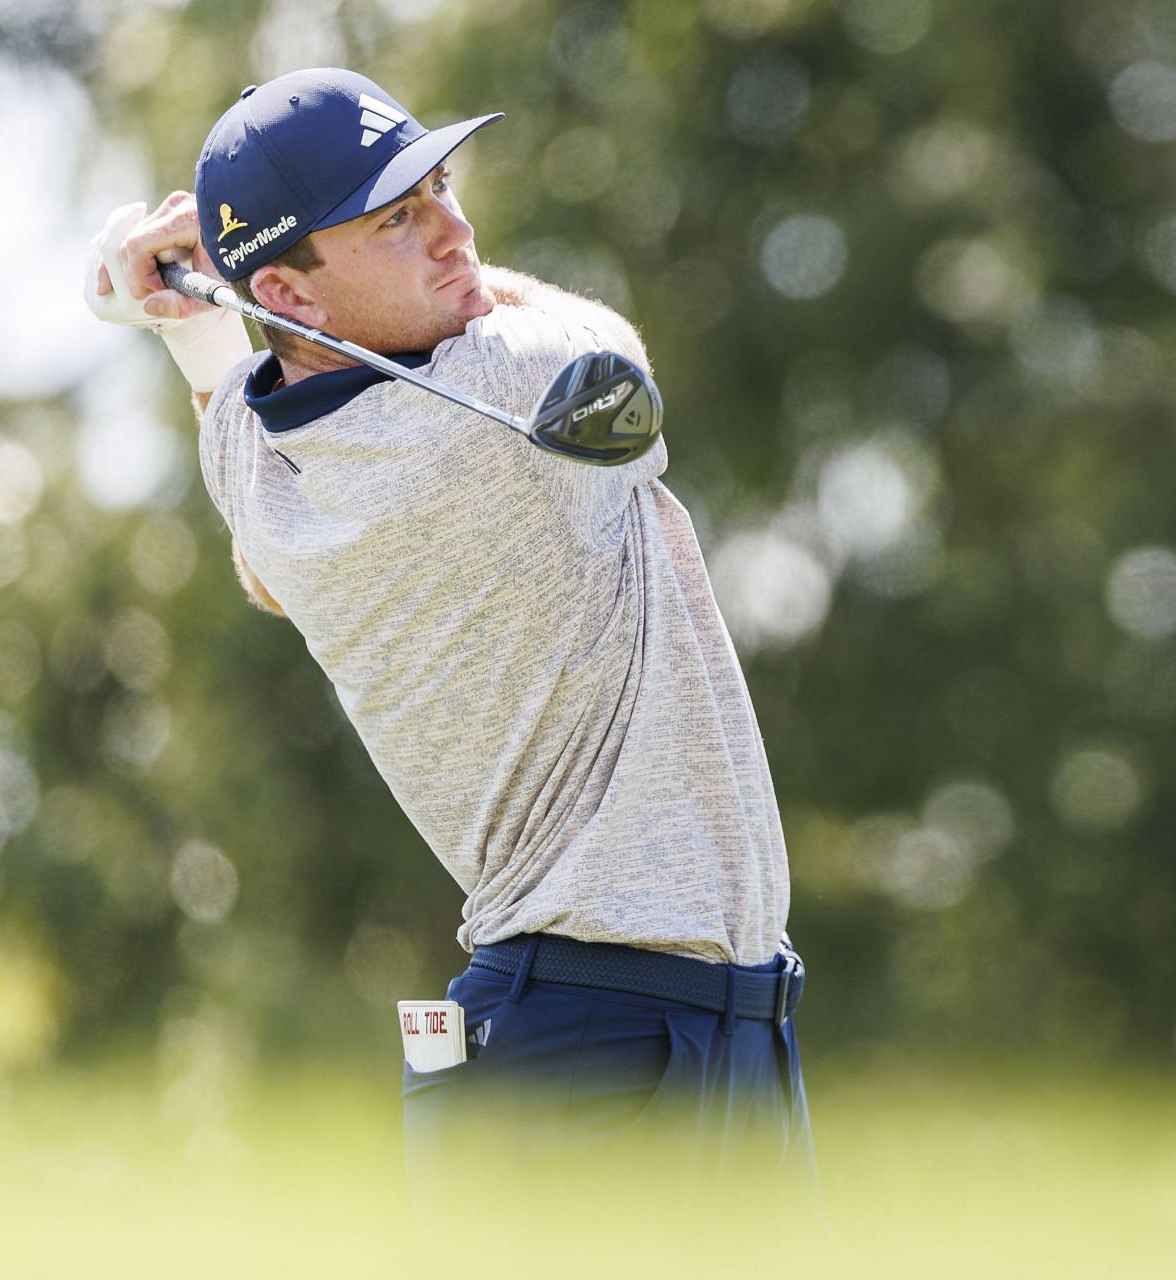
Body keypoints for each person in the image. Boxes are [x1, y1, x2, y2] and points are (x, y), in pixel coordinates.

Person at [82, 67, 813, 1197]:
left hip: (666, 1028)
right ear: (296, 297)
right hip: (599, 1042)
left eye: (442, 190)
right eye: (397, 218)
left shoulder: (257, 469)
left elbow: (247, 479)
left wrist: (191, 309)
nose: (457, 234)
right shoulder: (505, 395)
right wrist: (201, 287)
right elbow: (611, 348)